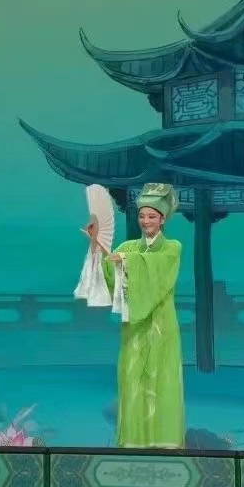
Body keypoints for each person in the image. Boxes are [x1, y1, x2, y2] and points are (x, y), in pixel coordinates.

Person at [78, 183, 185, 449]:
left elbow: (159, 271)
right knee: (131, 377)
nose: (145, 221)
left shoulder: (172, 248)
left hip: (161, 327)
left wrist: (126, 261)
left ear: (162, 219)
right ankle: (133, 440)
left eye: (152, 216)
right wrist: (96, 243)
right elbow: (109, 277)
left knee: (161, 380)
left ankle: (165, 441)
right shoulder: (129, 246)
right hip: (134, 327)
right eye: (142, 216)